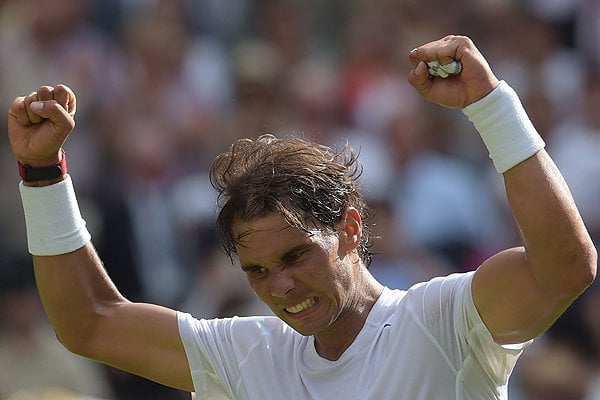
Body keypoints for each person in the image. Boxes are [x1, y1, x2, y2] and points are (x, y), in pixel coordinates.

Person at [7, 35, 597, 399]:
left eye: (295, 256)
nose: (280, 286)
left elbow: (566, 267)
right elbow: (89, 321)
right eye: (257, 270)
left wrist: (493, 107)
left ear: (350, 228)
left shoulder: (443, 321)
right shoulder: (244, 355)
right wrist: (41, 172)